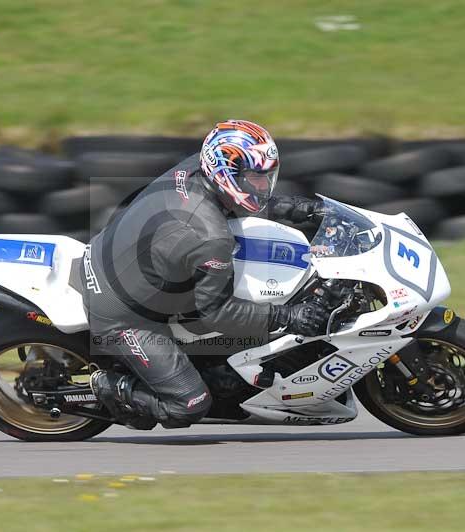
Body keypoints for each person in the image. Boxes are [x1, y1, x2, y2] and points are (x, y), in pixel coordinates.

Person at [83, 119, 340, 429]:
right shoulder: (211, 237)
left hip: (121, 254)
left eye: (266, 176)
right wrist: (289, 317)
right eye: (256, 178)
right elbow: (217, 314)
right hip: (122, 314)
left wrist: (299, 210)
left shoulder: (196, 167)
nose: (263, 185)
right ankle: (109, 386)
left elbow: (240, 196)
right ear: (225, 172)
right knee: (190, 405)